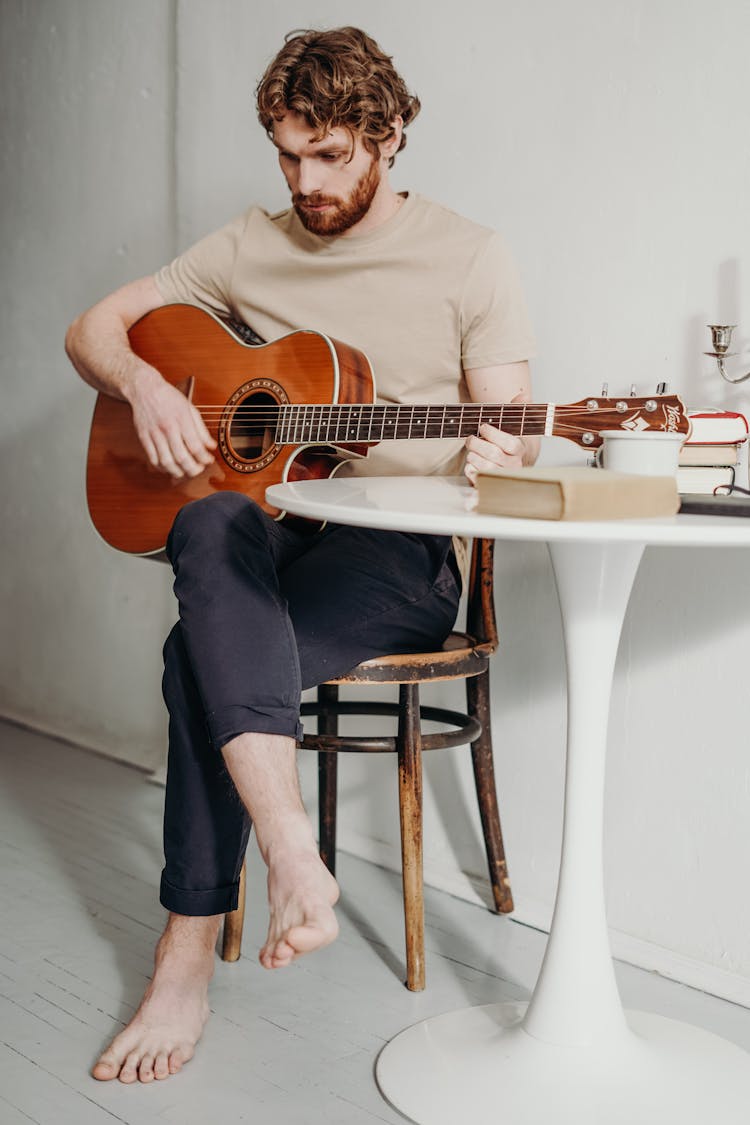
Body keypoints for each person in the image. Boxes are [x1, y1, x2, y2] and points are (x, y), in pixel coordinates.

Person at [65, 26, 538, 1084]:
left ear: (389, 134)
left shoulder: (472, 255)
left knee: (199, 657)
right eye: (288, 154)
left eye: (329, 155)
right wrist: (142, 386)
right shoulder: (248, 241)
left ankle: (182, 957)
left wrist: (509, 443)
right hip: (272, 535)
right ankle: (292, 850)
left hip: (395, 557)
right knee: (205, 521)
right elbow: (96, 329)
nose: (305, 181)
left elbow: (512, 429)